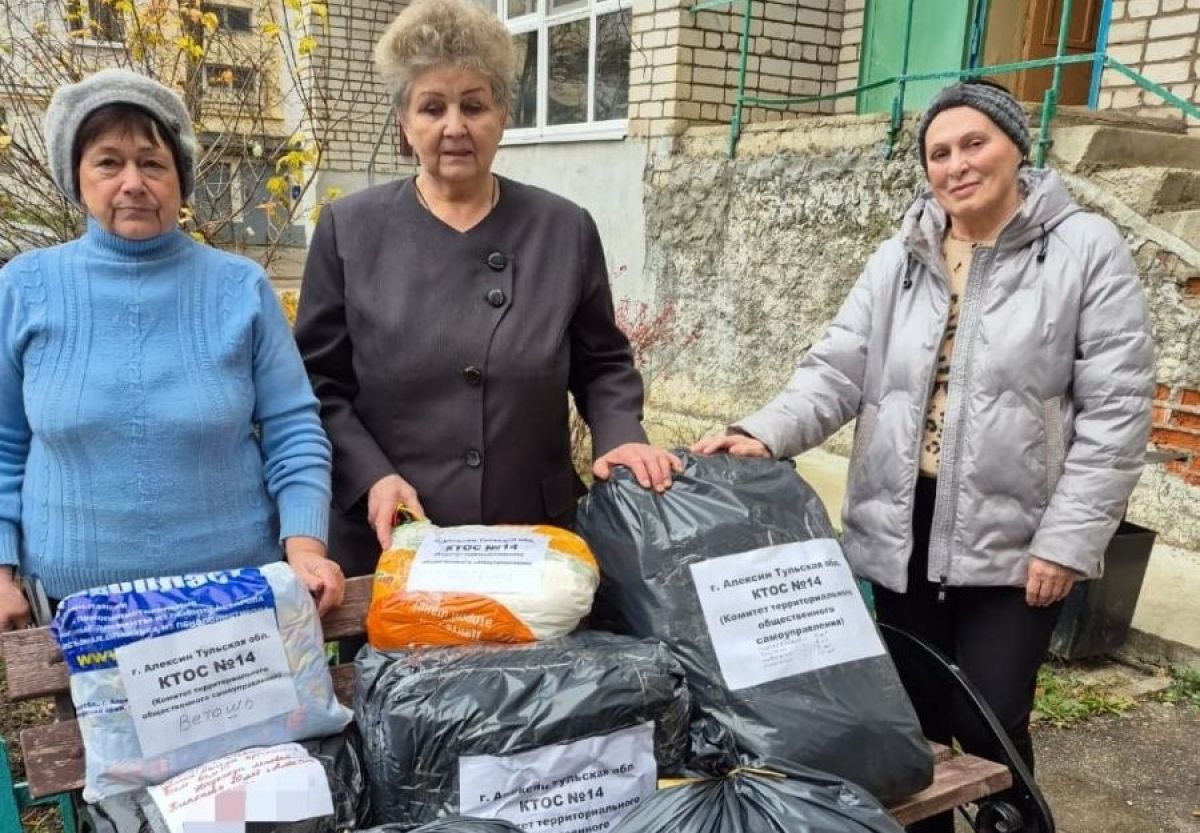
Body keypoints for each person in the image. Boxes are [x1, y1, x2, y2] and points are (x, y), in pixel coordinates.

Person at [694, 80, 1154, 829]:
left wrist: (1069, 540)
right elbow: (836, 369)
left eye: (975, 143)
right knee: (912, 721)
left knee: (991, 717)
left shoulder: (1084, 250)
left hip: (1018, 533)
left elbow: (1116, 412)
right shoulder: (901, 256)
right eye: (939, 152)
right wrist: (765, 430)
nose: (956, 164)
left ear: (1016, 147)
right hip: (902, 520)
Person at [294, 0, 679, 578]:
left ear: (503, 113)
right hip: (396, 539)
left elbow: (603, 364)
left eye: (474, 104)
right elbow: (319, 386)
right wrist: (371, 477)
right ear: (405, 121)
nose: (455, 126)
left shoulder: (563, 228)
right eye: (432, 107)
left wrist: (619, 437)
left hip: (531, 540)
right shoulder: (350, 230)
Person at [0, 68, 344, 630]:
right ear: (76, 175)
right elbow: (2, 444)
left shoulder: (240, 288)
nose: (132, 182)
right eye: (109, 162)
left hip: (233, 602)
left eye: (153, 163)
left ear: (181, 178)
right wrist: (1, 573)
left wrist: (304, 547)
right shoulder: (25, 287)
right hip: (81, 614)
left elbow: (293, 429)